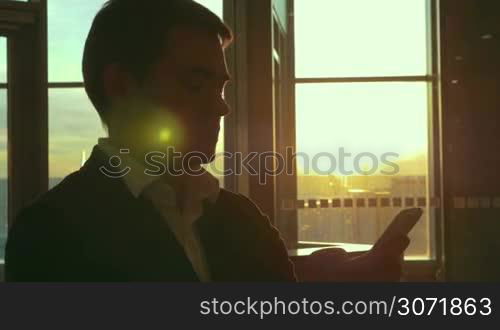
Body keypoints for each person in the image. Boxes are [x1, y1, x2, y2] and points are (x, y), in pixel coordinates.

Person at [5, 0, 408, 282]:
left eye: (220, 88)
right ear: (122, 86)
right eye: (195, 85)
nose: (220, 108)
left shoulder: (242, 217)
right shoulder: (51, 233)